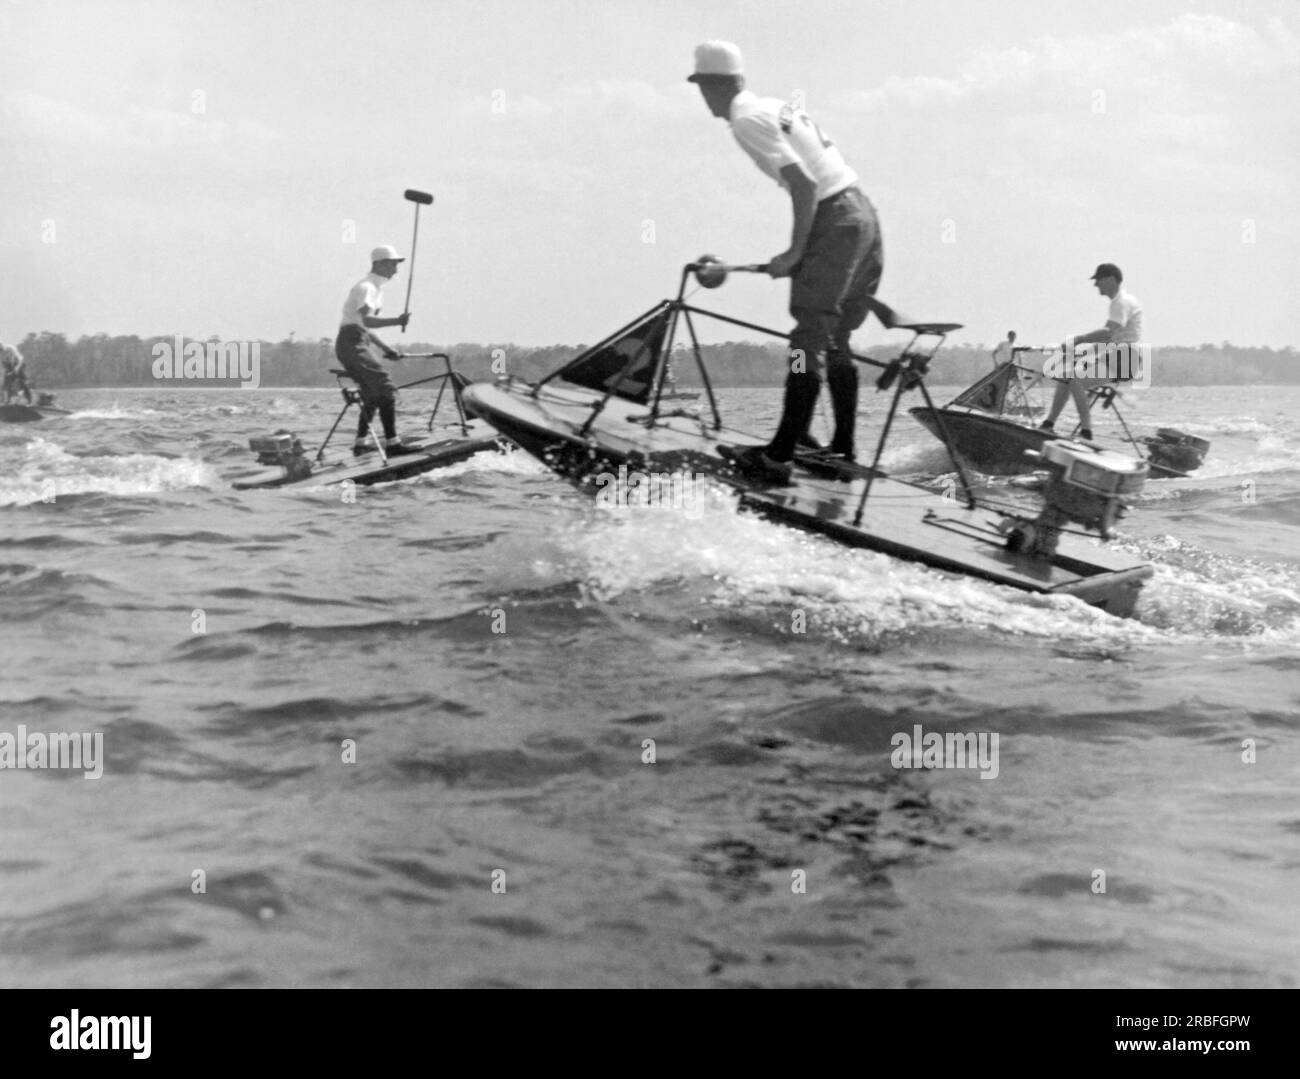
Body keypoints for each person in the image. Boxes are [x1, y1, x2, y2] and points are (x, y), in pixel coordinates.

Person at [690, 41, 884, 483]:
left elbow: (803, 184)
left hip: (834, 218)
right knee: (837, 338)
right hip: (863, 215)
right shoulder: (773, 106)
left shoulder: (745, 121)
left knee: (806, 341)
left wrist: (796, 252)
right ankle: (841, 449)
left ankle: (778, 456)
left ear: (707, 87)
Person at [1039, 263, 1143, 441]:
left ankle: (1086, 433)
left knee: (1076, 381)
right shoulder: (1121, 302)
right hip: (1118, 355)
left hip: (1125, 357)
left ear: (1110, 279)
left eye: (1098, 280)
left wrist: (1078, 339)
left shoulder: (1120, 303)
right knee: (1066, 377)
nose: (1096, 285)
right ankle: (1048, 424)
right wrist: (1082, 352)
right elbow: (1112, 339)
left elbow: (1107, 332)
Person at [335, 245, 419, 456]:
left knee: (372, 393)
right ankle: (393, 444)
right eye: (392, 265)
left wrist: (386, 348)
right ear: (379, 264)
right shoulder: (366, 287)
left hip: (357, 342)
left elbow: (364, 329)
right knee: (386, 388)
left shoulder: (375, 289)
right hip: (351, 344)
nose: (395, 271)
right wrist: (397, 321)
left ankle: (361, 443)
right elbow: (367, 321)